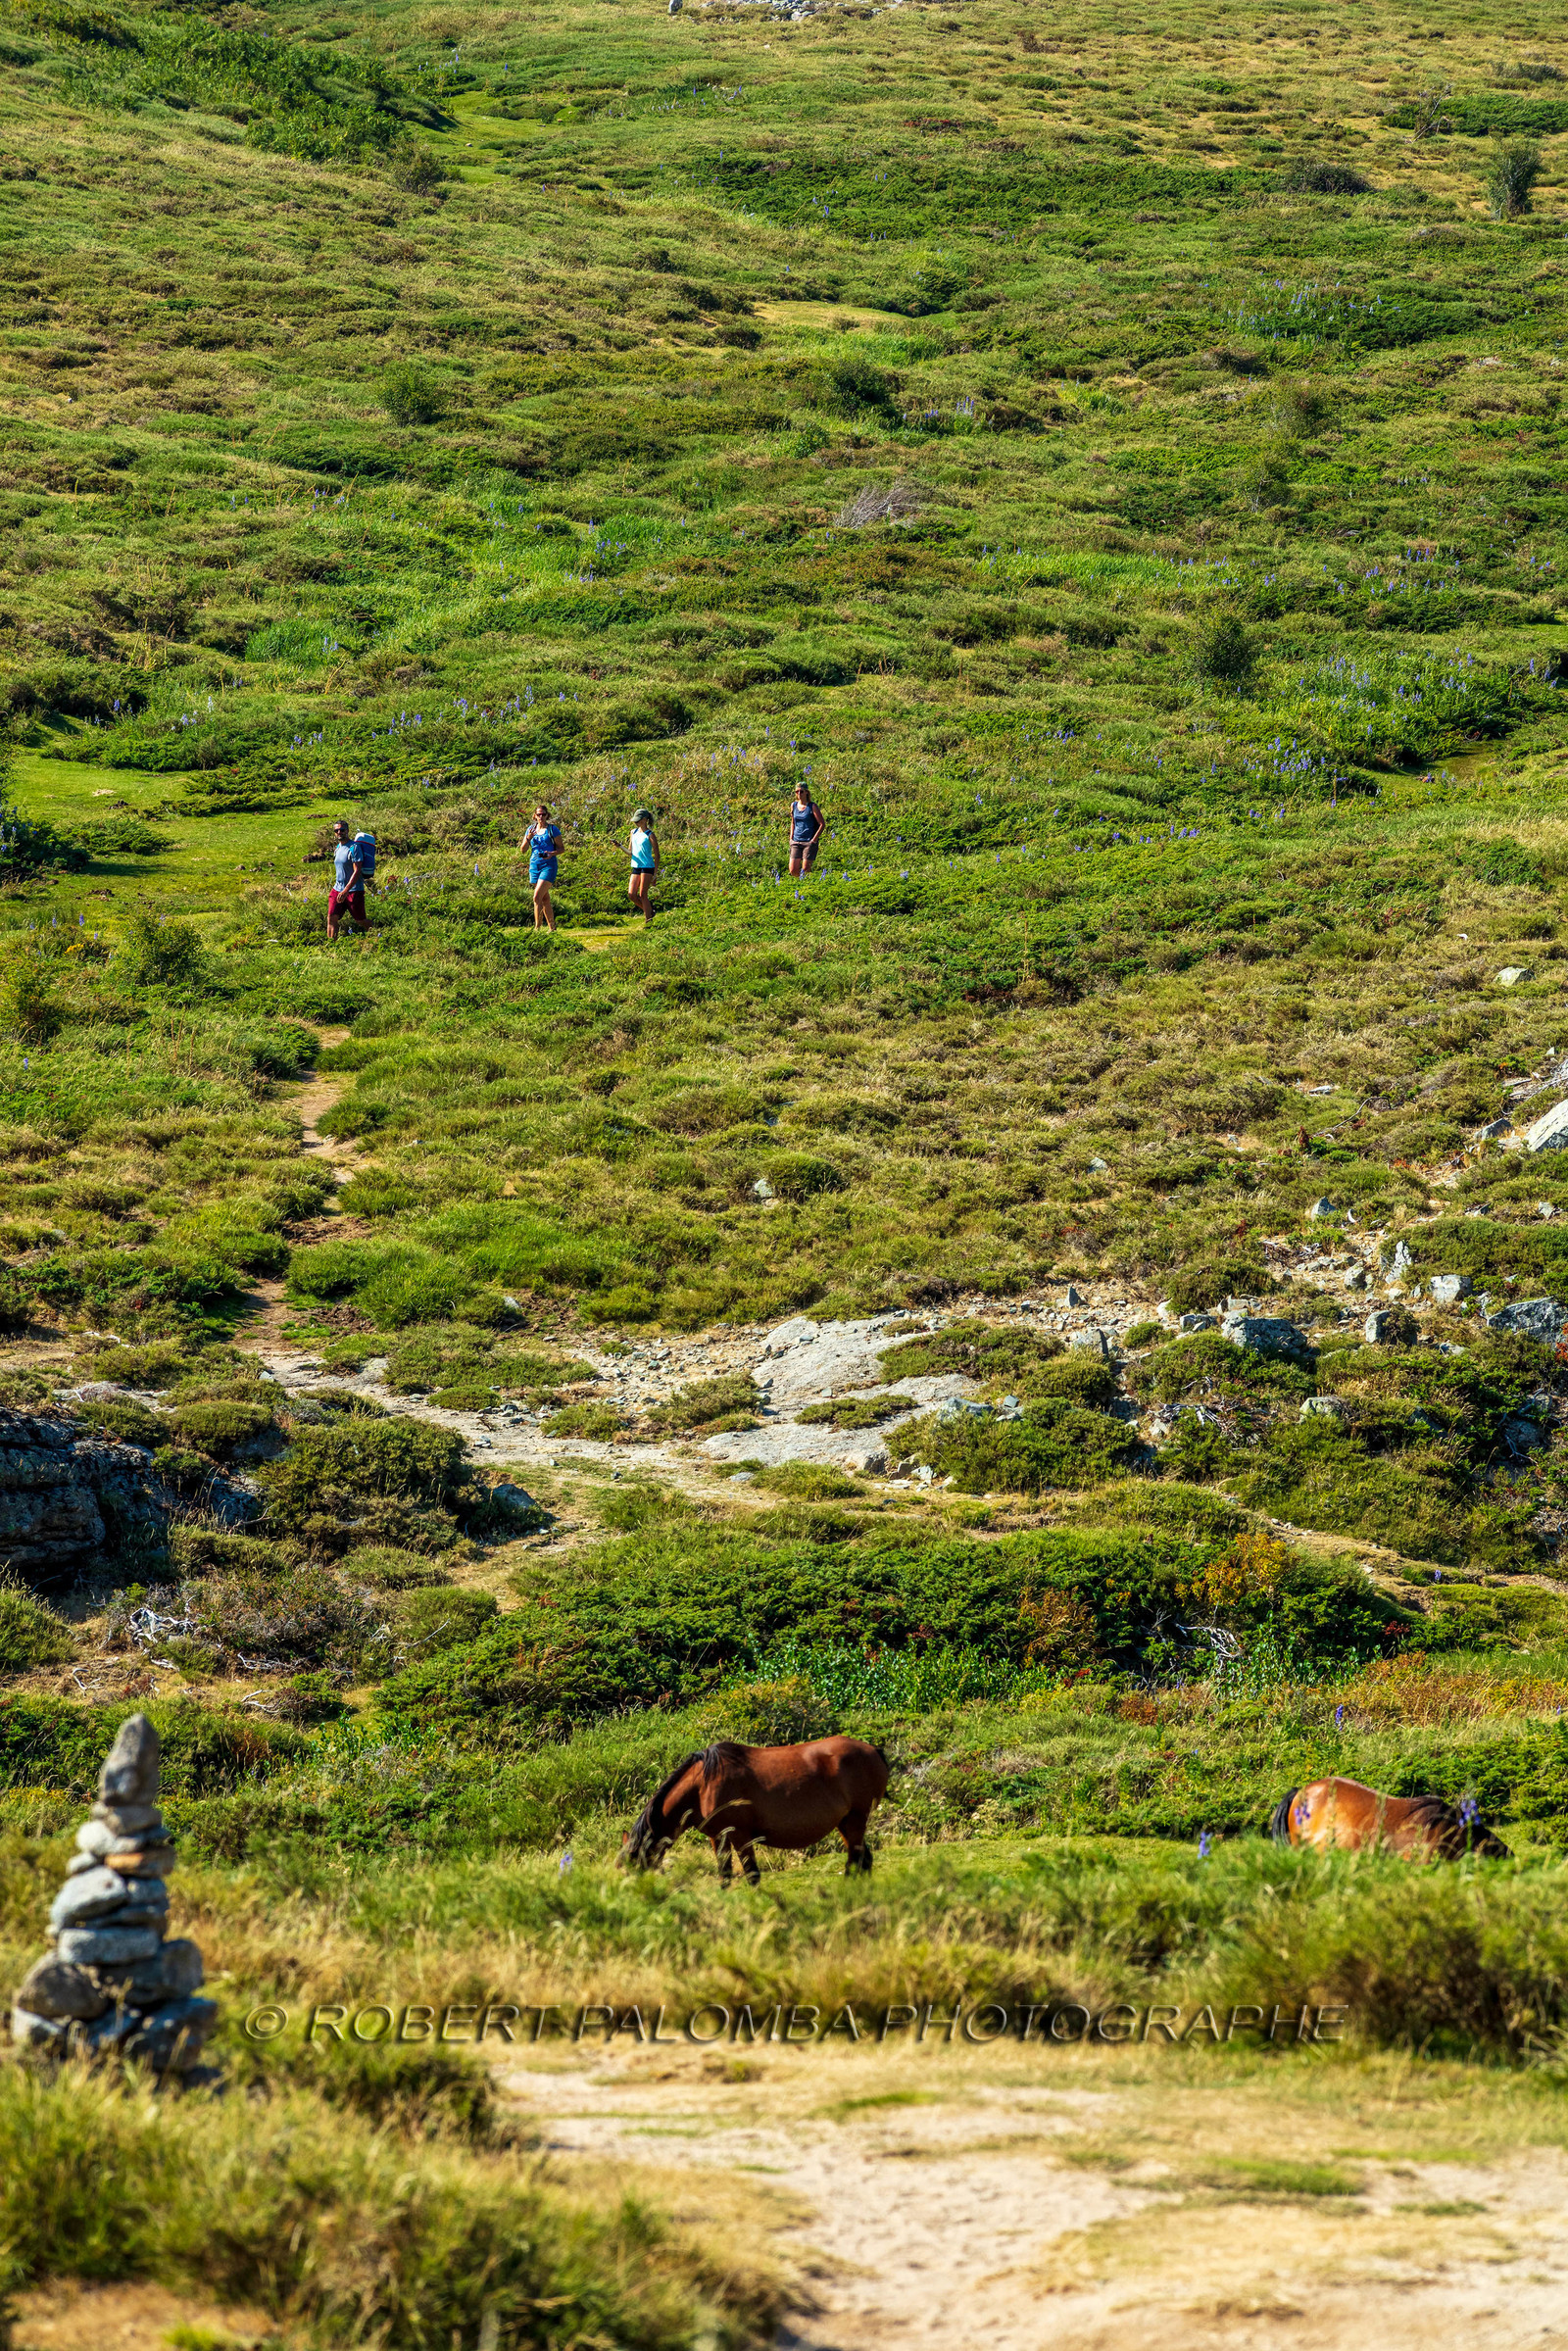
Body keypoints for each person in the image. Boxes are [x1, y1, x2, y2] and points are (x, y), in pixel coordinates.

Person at [325, 818, 369, 940]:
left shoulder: (354, 848)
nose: (339, 832)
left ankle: (376, 933)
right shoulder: (338, 848)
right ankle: (331, 946)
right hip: (337, 889)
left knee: (360, 920)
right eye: (337, 830)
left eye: (342, 830)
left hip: (354, 890)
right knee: (331, 917)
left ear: (347, 831)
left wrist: (346, 890)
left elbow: (357, 871)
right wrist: (341, 890)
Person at [521, 802, 563, 932]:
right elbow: (523, 850)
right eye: (538, 814)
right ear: (535, 816)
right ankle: (552, 928)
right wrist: (528, 838)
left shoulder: (552, 830)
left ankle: (537, 928)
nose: (541, 817)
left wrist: (551, 853)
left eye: (543, 814)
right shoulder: (530, 830)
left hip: (548, 865)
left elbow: (561, 848)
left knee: (536, 897)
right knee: (544, 898)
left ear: (547, 815)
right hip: (534, 865)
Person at [628, 807, 661, 923]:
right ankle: (650, 911)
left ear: (645, 820)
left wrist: (655, 874)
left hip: (647, 866)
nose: (636, 822)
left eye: (638, 820)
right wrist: (619, 846)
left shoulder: (650, 835)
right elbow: (630, 851)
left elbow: (657, 855)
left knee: (642, 894)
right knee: (631, 894)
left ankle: (649, 921)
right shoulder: (633, 832)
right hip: (636, 866)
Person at [789, 780, 825, 877]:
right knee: (793, 869)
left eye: (801, 791)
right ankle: (797, 885)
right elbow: (793, 822)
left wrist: (814, 840)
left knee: (805, 869)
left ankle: (806, 887)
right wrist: (791, 837)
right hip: (796, 840)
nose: (799, 793)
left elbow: (822, 824)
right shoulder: (793, 805)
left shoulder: (812, 806)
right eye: (797, 791)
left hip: (808, 841)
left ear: (806, 792)